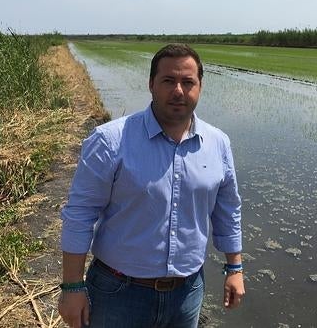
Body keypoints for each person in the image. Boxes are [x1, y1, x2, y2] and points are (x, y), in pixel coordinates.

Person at [58, 43, 244, 328]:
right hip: (118, 292)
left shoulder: (218, 143)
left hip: (188, 292)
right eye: (168, 80)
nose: (178, 90)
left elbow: (227, 209)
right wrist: (72, 288)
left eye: (187, 82)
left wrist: (234, 266)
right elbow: (80, 214)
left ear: (200, 87)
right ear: (151, 84)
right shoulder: (110, 141)